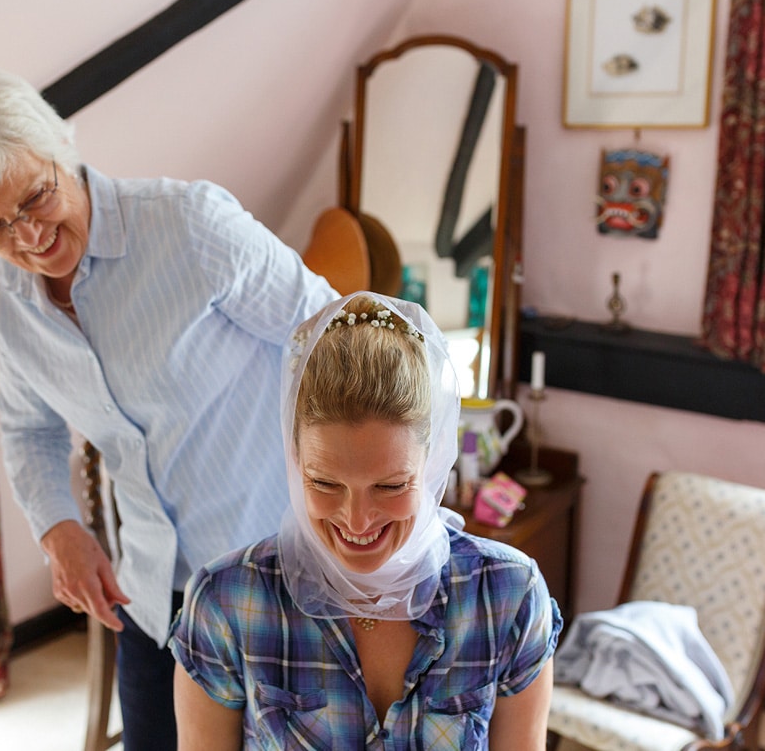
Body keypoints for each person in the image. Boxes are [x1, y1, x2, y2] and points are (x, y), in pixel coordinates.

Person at [0, 64, 338, 751]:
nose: (27, 239)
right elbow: (29, 428)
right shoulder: (9, 299)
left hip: (281, 582)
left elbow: (338, 338)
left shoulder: (190, 226)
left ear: (61, 148)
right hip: (153, 599)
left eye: (35, 198)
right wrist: (59, 529)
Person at [169, 292, 561, 749]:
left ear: (432, 461)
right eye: (325, 483)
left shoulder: (508, 596)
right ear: (295, 461)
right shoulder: (226, 603)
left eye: (390, 486)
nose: (357, 520)